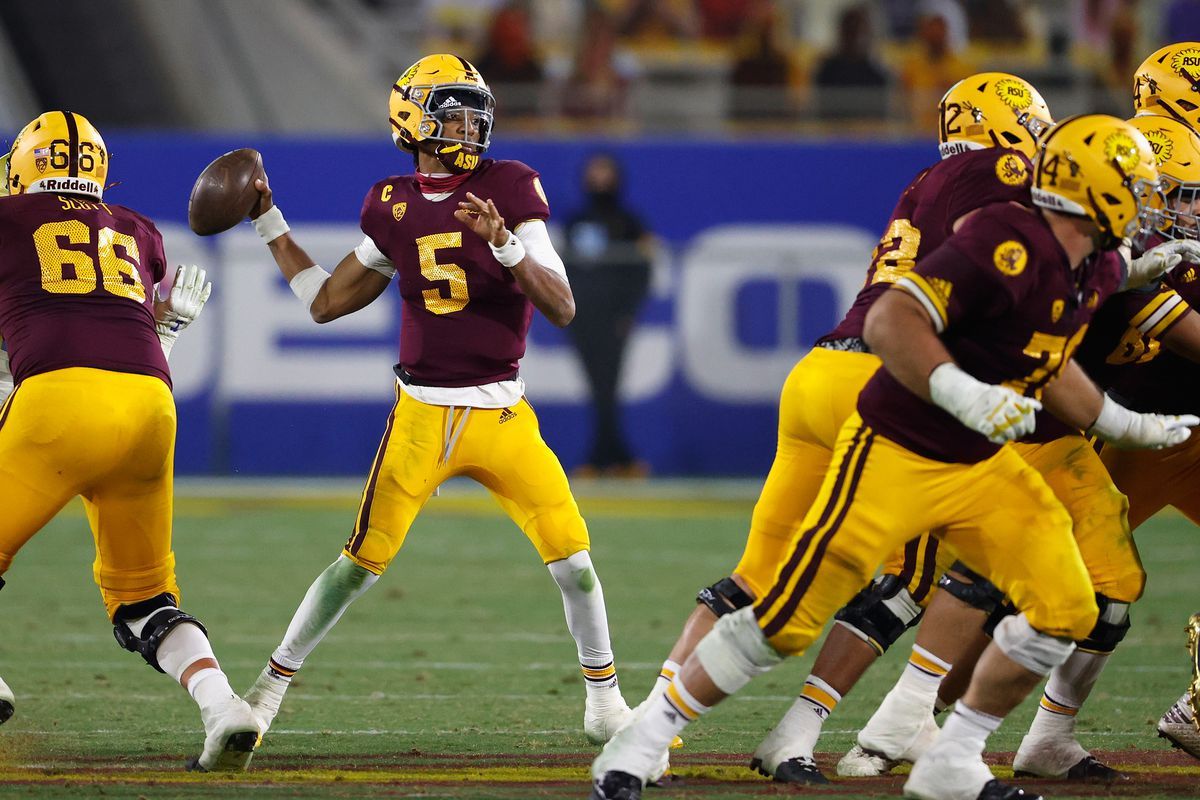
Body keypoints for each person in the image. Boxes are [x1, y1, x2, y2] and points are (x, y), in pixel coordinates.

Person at [591, 114, 1195, 800]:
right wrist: (961, 391)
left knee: (1068, 602)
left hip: (980, 464)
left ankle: (952, 759)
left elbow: (1051, 364)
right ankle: (638, 744)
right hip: (900, 447)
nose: (1151, 204)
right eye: (1138, 188)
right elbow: (889, 321)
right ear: (1094, 190)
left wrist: (1126, 424)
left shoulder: (1099, 264)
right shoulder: (1005, 238)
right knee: (787, 619)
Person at [240, 54, 633, 746]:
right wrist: (269, 222)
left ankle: (605, 703)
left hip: (503, 414)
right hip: (421, 414)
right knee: (356, 567)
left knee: (574, 562)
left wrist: (506, 243)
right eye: (453, 112)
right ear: (413, 120)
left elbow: (563, 305)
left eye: (474, 112)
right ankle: (265, 695)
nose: (471, 125)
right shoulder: (389, 204)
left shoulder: (509, 188)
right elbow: (328, 303)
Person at [0, 112, 251, 771]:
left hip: (59, 403)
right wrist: (165, 330)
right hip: (149, 406)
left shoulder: (7, 219)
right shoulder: (136, 229)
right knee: (145, 602)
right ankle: (225, 705)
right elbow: (108, 329)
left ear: (24, 166)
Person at [563, 153, 653, 477]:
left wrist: (629, 311)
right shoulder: (576, 221)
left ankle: (604, 459)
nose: (599, 178)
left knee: (607, 387)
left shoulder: (630, 222)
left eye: (605, 172)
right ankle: (619, 458)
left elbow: (643, 272)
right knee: (598, 388)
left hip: (614, 319)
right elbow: (565, 269)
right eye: (594, 172)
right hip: (582, 317)